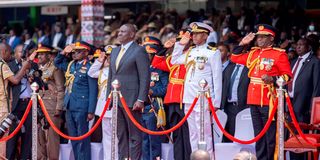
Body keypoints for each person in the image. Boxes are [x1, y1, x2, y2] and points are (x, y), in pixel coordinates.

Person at [230, 24, 292, 160]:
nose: (259, 39)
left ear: (271, 39)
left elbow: (287, 76)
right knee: (258, 135)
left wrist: (273, 79)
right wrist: (242, 43)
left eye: (263, 37)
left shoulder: (279, 54)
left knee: (270, 136)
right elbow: (234, 58)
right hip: (253, 99)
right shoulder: (253, 53)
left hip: (268, 100)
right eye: (258, 37)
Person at [171, 22, 222, 157]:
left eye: (197, 34)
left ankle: (207, 157)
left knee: (204, 132)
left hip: (204, 98)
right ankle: (196, 157)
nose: (193, 36)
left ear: (205, 36)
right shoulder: (190, 52)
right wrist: (181, 44)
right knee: (193, 132)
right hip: (189, 97)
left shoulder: (212, 53)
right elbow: (174, 60)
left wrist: (216, 102)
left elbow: (217, 78)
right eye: (192, 34)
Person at [106, 24, 150, 160]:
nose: (119, 34)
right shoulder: (114, 51)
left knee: (134, 135)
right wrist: (109, 97)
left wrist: (141, 99)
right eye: (119, 31)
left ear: (132, 34)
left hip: (132, 99)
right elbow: (111, 76)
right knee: (121, 134)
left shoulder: (139, 51)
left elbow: (145, 77)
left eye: (123, 32)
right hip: (116, 99)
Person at [151, 30, 193, 160]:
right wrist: (164, 48)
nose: (181, 42)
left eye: (184, 40)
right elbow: (156, 63)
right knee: (176, 134)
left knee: (187, 134)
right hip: (172, 99)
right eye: (180, 40)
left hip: (185, 98)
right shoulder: (173, 58)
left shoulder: (192, 56)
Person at [54, 41, 98, 160]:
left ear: (86, 52)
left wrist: (91, 111)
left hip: (82, 107)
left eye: (79, 51)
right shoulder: (71, 65)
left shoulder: (90, 67)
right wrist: (64, 52)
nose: (76, 53)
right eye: (74, 51)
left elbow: (93, 91)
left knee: (82, 138)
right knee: (73, 136)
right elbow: (57, 62)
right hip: (69, 105)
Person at [287, 38, 320, 160]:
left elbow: (317, 86)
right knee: (292, 137)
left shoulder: (314, 62)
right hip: (290, 103)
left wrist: (313, 107)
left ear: (308, 47)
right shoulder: (293, 61)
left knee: (302, 139)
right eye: (297, 44)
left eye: (302, 45)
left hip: (304, 106)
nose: (298, 47)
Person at [30, 44, 65, 160]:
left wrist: (59, 108)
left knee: (52, 138)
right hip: (38, 106)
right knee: (39, 136)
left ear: (49, 56)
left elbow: (60, 89)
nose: (39, 56)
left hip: (51, 106)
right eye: (38, 54)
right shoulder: (36, 70)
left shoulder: (55, 69)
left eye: (43, 54)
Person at [0, 43, 31, 159]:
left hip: (22, 104)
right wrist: (24, 67)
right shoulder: (3, 65)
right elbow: (15, 80)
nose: (11, 55)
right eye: (10, 52)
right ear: (4, 52)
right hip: (3, 108)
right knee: (3, 141)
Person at [141, 36, 168, 160]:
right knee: (144, 141)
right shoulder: (140, 69)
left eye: (150, 54)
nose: (147, 57)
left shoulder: (160, 69)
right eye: (145, 54)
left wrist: (152, 91)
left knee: (154, 141)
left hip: (154, 108)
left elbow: (165, 89)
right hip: (141, 108)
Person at [87, 46, 116, 160]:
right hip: (103, 107)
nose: (109, 58)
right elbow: (91, 72)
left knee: (116, 136)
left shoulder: (120, 70)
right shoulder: (103, 70)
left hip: (115, 106)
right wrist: (99, 60)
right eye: (107, 56)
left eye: (111, 56)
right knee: (107, 135)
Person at [221, 50, 250, 142]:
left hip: (243, 106)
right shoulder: (229, 68)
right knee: (228, 133)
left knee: (242, 134)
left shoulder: (249, 68)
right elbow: (223, 86)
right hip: (228, 107)